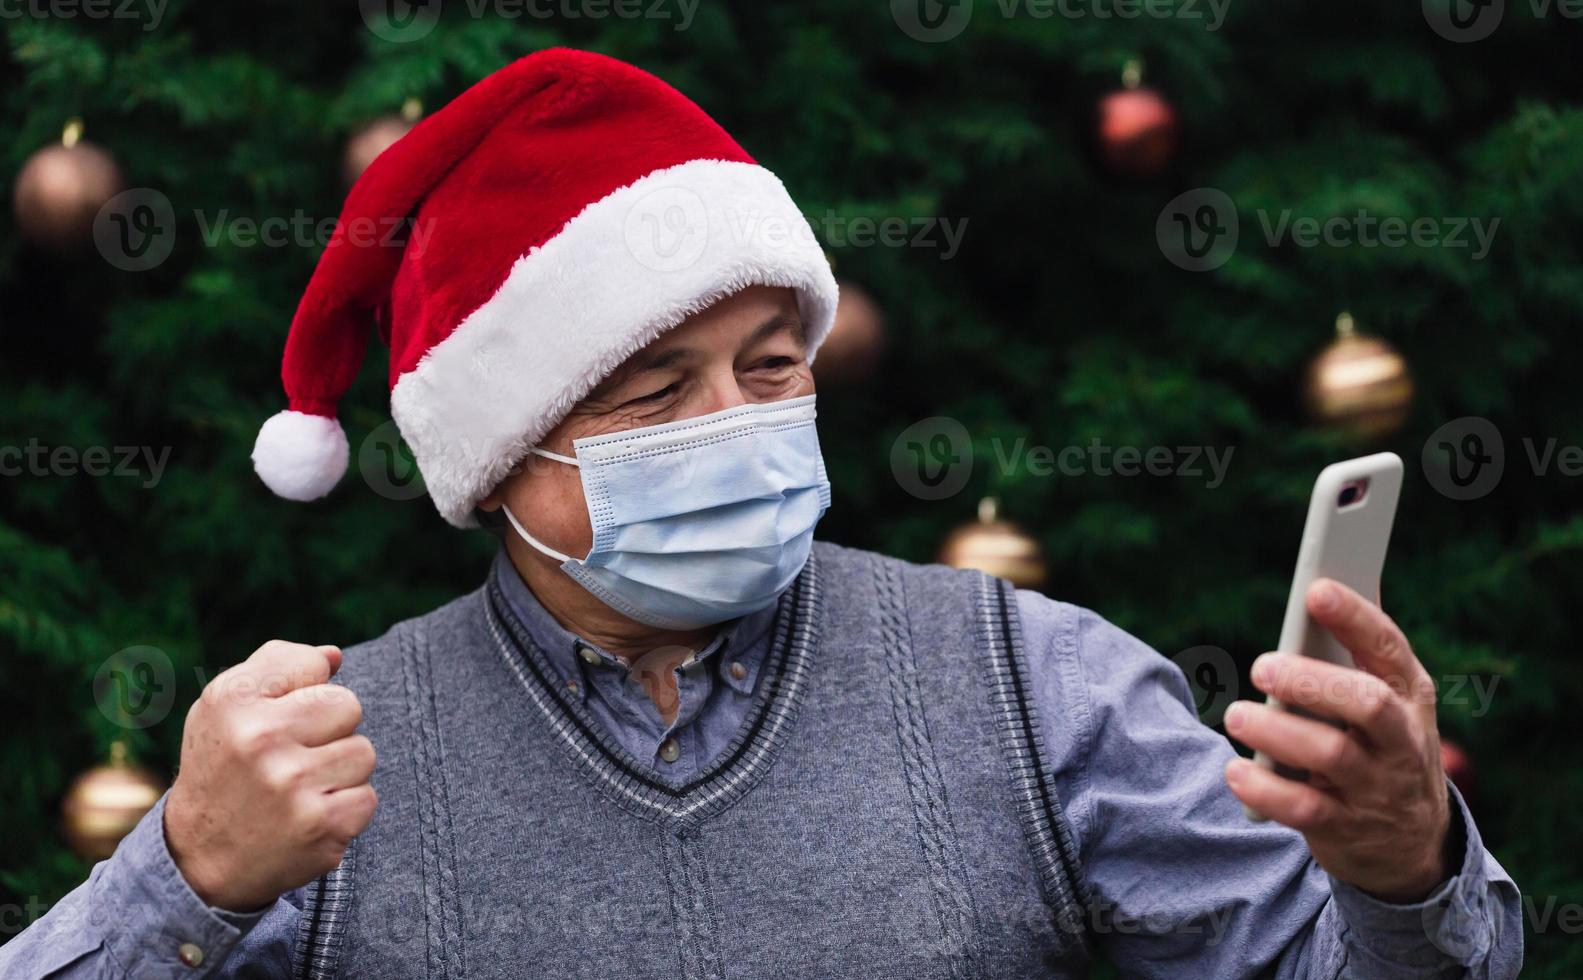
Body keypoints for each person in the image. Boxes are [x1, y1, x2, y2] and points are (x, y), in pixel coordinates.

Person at [1, 49, 1520, 979]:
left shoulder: (1029, 683)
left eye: (772, 366)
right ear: (497, 458)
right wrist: (183, 876)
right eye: (653, 393)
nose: (736, 424)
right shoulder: (332, 763)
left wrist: (1404, 874)